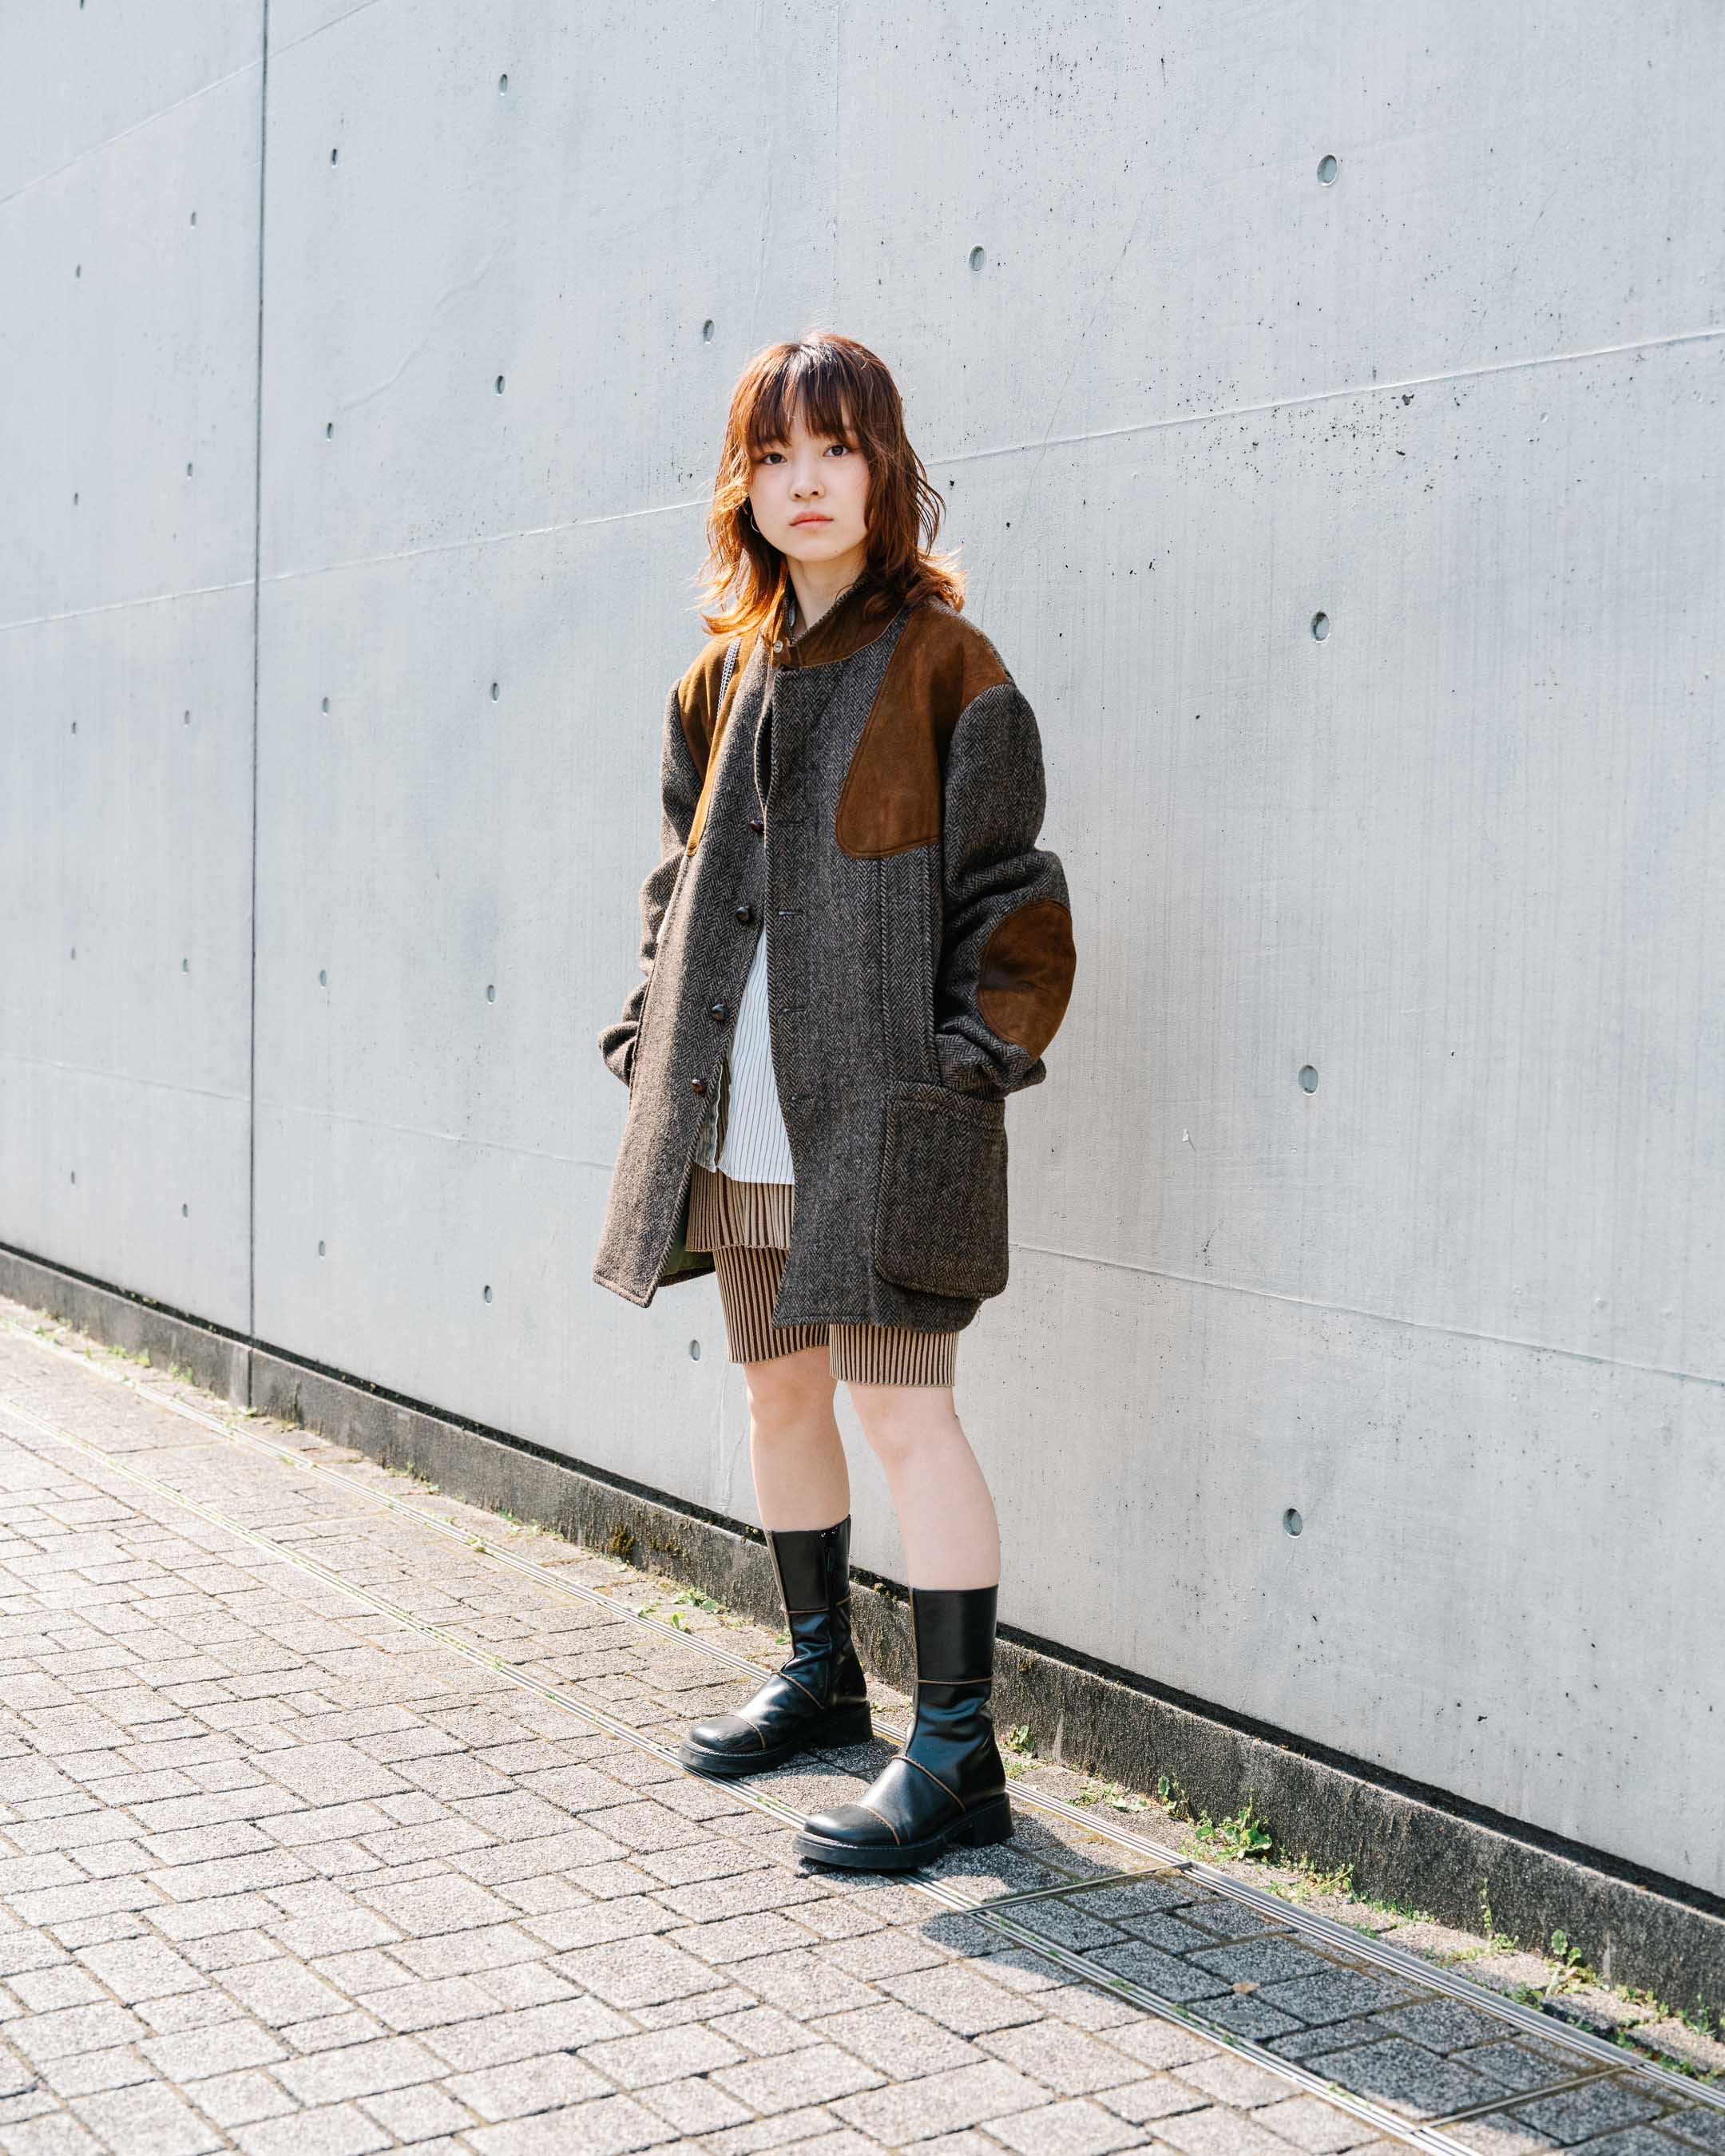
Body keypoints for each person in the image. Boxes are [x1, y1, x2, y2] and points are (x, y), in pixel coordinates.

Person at [593, 329, 1076, 1871]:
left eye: (837, 449)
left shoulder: (948, 666)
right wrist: (647, 1033)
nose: (807, 482)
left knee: (904, 1412)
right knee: (781, 1393)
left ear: (886, 470)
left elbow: (1015, 897)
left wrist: (967, 1063)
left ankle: (958, 1754)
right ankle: (821, 1675)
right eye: (775, 455)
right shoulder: (716, 682)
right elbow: (678, 887)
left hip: (881, 1120)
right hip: (742, 1114)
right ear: (744, 486)